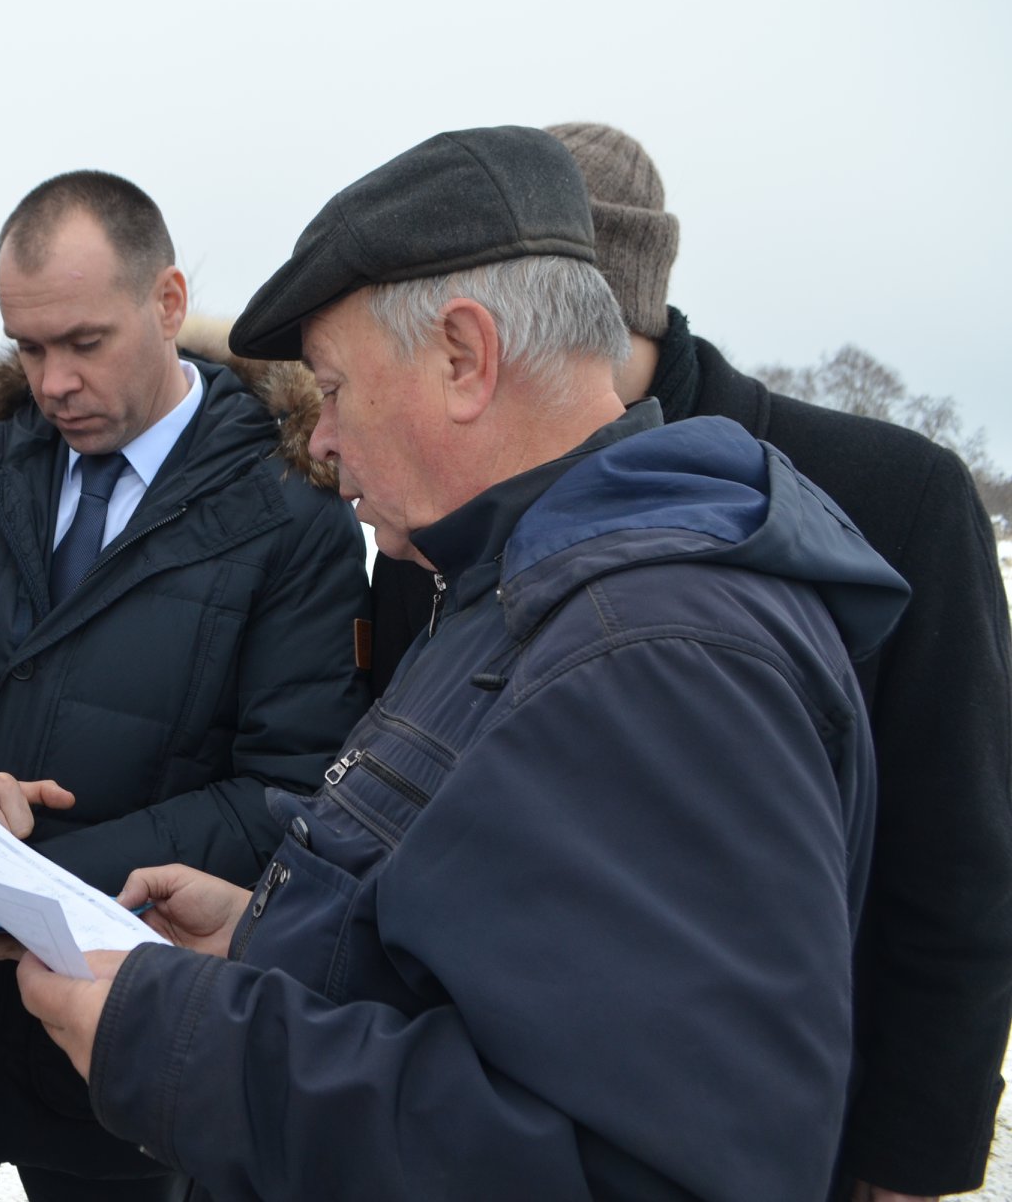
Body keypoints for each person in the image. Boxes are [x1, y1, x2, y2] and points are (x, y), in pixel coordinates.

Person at [16, 126, 913, 1200]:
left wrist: (180, 1037)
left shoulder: (659, 658)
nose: (322, 442)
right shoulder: (522, 585)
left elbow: (635, 1172)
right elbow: (494, 968)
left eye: (337, 390)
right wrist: (269, 941)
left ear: (463, 357)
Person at [370, 122, 1012, 1201]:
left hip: (765, 1137)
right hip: (483, 1116)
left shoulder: (888, 495)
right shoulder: (438, 508)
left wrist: (906, 1161)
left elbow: (956, 857)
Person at [0, 170, 371, 1201]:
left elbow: (285, 785)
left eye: (83, 342)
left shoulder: (290, 515)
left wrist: (33, 890)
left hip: (123, 1024)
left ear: (166, 304)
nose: (52, 382)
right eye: (27, 348)